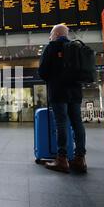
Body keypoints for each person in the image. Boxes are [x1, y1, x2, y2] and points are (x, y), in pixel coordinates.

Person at [38, 24, 87, 173]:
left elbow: (43, 72)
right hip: (75, 92)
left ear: (56, 34)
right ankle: (80, 159)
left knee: (61, 123)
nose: (50, 37)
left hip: (59, 92)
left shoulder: (51, 47)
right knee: (77, 123)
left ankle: (62, 159)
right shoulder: (77, 47)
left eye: (51, 34)